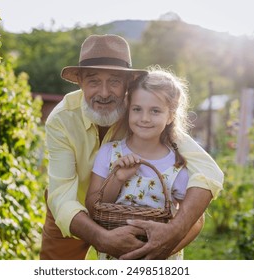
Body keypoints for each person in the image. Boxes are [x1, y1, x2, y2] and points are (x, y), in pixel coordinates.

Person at [40, 34, 223, 260]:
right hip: (72, 211)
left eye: (115, 81)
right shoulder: (61, 119)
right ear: (80, 82)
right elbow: (62, 198)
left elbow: (208, 170)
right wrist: (102, 238)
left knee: (192, 216)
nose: (105, 93)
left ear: (127, 84)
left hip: (130, 215)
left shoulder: (141, 110)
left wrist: (170, 237)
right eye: (94, 81)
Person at [85, 67, 205, 260]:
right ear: (128, 109)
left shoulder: (178, 165)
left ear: (171, 116)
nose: (144, 118)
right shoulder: (109, 152)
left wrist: (164, 251)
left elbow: (195, 220)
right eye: (137, 109)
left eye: (155, 111)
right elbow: (92, 207)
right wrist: (118, 178)